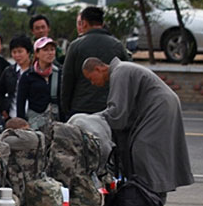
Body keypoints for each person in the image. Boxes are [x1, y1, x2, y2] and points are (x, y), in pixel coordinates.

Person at [83, 57, 193, 197]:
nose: (93, 83)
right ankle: (153, 192)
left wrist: (93, 119)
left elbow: (117, 113)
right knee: (149, 149)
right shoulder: (121, 70)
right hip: (161, 104)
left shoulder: (119, 73)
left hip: (159, 106)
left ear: (99, 69)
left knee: (144, 148)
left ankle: (152, 193)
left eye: (91, 78)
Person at [61, 6, 131, 117]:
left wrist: (65, 109)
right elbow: (127, 75)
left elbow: (67, 80)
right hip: (109, 108)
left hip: (81, 109)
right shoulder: (117, 45)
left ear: (84, 23)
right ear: (102, 23)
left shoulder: (75, 46)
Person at [16, 36, 63, 130]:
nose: (50, 53)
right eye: (45, 50)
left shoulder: (59, 73)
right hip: (35, 122)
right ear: (37, 53)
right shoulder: (28, 75)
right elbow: (20, 102)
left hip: (57, 122)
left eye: (52, 50)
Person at [0, 35, 33, 122]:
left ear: (28, 52)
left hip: (32, 116)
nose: (17, 55)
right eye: (14, 52)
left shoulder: (35, 71)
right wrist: (3, 109)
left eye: (20, 51)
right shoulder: (9, 71)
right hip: (13, 116)